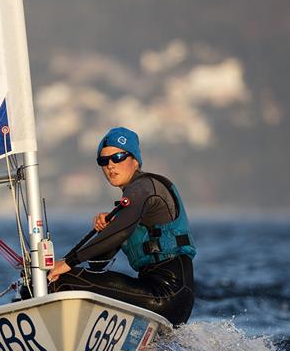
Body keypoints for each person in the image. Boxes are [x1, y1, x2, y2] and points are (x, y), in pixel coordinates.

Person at [47, 127, 196, 325]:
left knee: (62, 281)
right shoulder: (131, 205)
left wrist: (67, 262)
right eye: (103, 161)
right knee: (70, 280)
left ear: (135, 161)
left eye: (118, 157)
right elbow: (98, 265)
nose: (110, 165)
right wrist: (106, 229)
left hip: (167, 292)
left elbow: (122, 231)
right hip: (162, 294)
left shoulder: (145, 188)